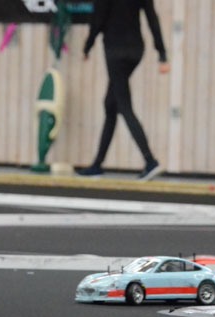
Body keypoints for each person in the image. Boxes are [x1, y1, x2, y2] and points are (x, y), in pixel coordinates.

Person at [76, 0, 170, 181]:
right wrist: (162, 53)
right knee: (110, 105)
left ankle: (150, 161)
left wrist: (87, 46)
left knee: (124, 106)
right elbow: (152, 18)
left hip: (115, 49)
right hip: (135, 50)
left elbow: (98, 19)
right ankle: (97, 165)